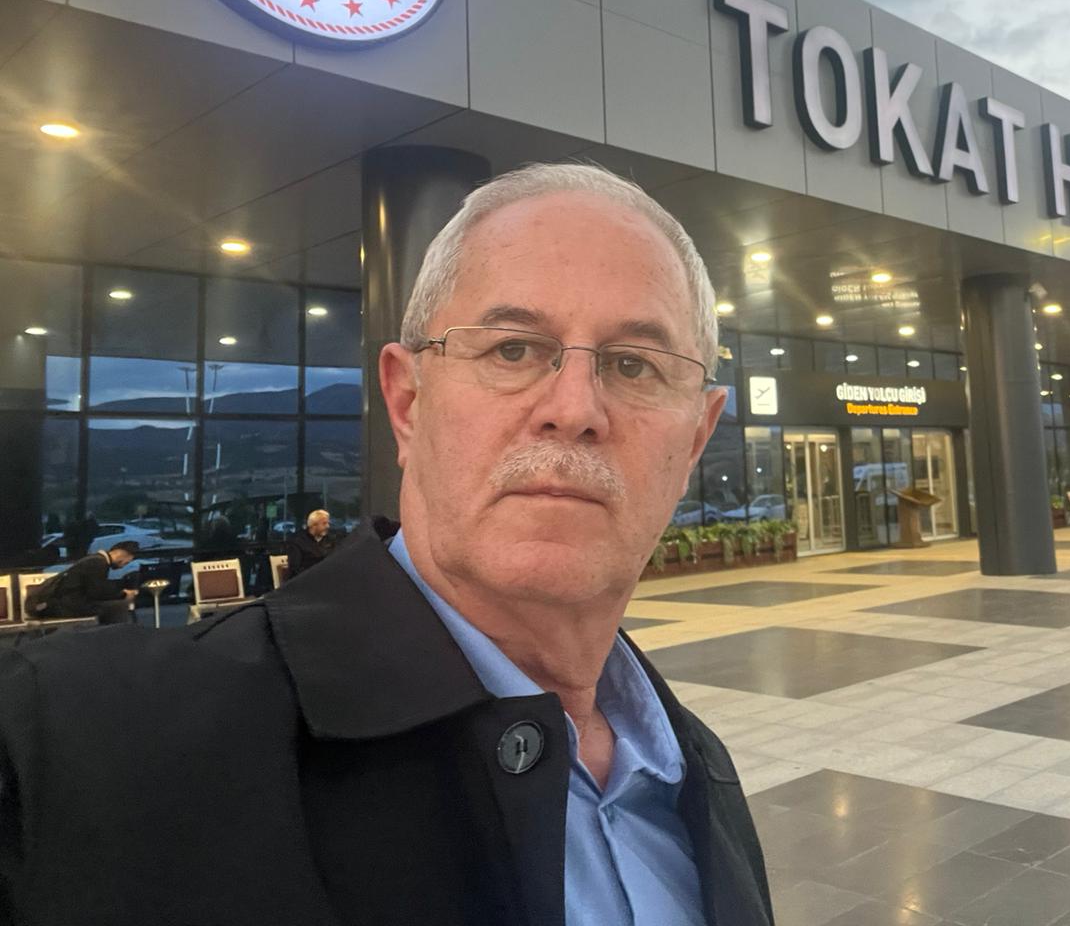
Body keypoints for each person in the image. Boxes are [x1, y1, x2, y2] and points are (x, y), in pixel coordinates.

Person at [0, 163, 772, 925]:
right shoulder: (86, 746)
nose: (573, 409)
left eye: (634, 365)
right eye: (512, 349)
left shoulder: (696, 772)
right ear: (407, 403)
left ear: (695, 440)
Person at [29, 541, 141, 625]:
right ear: (121, 555)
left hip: (64, 602)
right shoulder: (99, 564)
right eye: (126, 562)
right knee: (117, 607)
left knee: (111, 606)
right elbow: (97, 592)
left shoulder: (93, 560)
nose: (124, 565)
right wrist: (123, 594)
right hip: (68, 606)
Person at [284, 508, 336, 579]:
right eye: (324, 523)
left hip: (327, 577)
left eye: (328, 523)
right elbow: (295, 568)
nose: (328, 526)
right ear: (313, 525)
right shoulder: (297, 541)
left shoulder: (330, 539)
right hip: (305, 580)